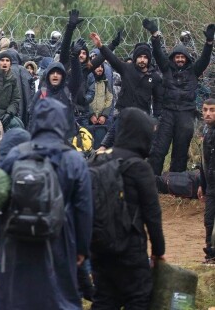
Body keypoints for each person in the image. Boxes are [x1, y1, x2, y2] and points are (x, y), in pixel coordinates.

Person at [0, 98, 92, 309]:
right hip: (59, 237)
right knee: (59, 295)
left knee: (19, 296)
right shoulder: (74, 160)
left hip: (17, 238)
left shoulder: (15, 155)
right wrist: (82, 249)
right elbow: (84, 208)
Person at [90, 107, 165, 309]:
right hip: (130, 248)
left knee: (104, 299)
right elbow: (152, 214)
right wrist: (159, 250)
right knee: (138, 298)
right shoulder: (140, 167)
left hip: (99, 246)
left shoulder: (96, 162)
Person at [145, 20, 214, 174]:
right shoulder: (166, 68)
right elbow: (157, 53)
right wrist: (155, 35)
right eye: (177, 57)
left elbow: (205, 59)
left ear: (187, 59)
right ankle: (152, 181)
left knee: (181, 151)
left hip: (186, 114)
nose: (180, 59)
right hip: (168, 113)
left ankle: (175, 182)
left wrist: (209, 42)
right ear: (173, 58)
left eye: (183, 57)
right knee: (158, 149)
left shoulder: (194, 71)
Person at [90, 32, 163, 149]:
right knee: (118, 147)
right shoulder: (127, 69)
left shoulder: (154, 77)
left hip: (142, 119)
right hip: (124, 116)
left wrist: (155, 120)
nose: (142, 60)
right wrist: (101, 46)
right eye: (140, 57)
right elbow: (112, 58)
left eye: (145, 57)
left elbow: (158, 100)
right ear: (135, 58)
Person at [200, 99, 215, 261]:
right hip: (211, 185)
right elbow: (204, 161)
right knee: (209, 220)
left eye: (212, 110)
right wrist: (201, 184)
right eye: (205, 110)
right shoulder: (206, 130)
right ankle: (210, 254)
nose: (208, 114)